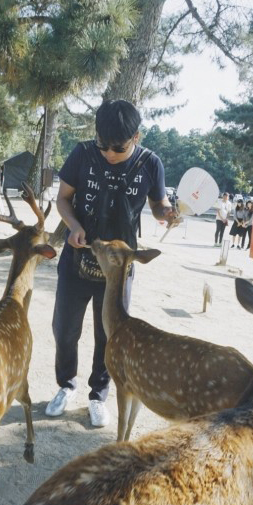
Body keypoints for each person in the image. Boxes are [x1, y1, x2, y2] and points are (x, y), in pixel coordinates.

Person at [45, 99, 177, 428]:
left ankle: (97, 394)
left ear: (136, 137)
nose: (108, 154)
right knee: (65, 329)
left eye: (117, 148)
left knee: (110, 335)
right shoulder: (82, 154)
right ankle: (66, 385)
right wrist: (74, 226)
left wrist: (167, 214)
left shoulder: (150, 163)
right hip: (78, 259)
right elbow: (63, 198)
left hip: (119, 268)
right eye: (103, 145)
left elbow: (159, 205)